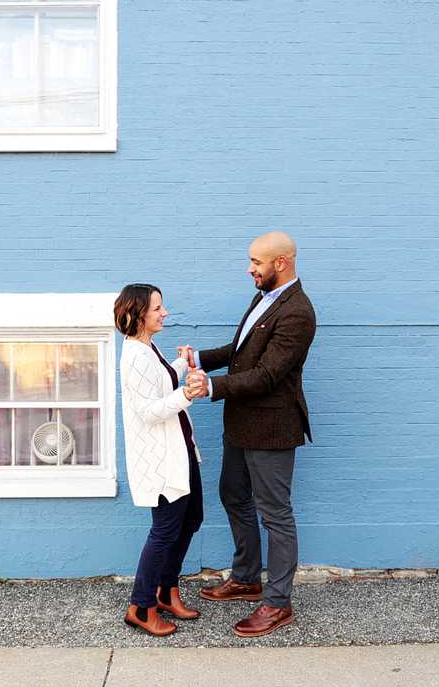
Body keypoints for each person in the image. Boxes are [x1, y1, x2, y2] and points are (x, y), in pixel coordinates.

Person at [182, 231, 316, 637]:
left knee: (276, 514)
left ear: (281, 263)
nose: (249, 268)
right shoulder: (266, 297)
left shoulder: (298, 311)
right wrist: (200, 358)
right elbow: (242, 351)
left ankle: (277, 604)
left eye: (256, 262)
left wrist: (211, 386)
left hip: (272, 428)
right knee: (233, 494)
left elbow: (268, 375)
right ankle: (246, 578)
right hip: (240, 424)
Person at [114, 284, 206, 636]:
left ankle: (167, 591)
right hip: (160, 460)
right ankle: (141, 605)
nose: (164, 313)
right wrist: (187, 393)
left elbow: (161, 382)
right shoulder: (133, 355)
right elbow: (149, 411)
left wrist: (183, 361)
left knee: (190, 520)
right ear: (138, 314)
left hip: (181, 453)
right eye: (157, 308)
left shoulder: (148, 348)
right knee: (164, 531)